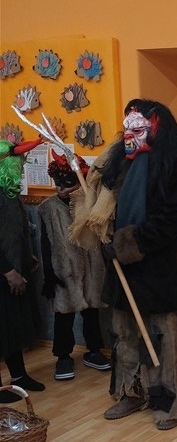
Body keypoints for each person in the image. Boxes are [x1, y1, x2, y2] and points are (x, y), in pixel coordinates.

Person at [70, 99, 177, 430]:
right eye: (127, 129)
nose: (129, 135)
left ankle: (168, 401)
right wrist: (106, 232)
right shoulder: (119, 167)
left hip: (159, 270)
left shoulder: (173, 172)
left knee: (165, 336)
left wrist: (126, 244)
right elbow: (104, 205)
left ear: (156, 130)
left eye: (137, 129)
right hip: (123, 270)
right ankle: (131, 392)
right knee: (124, 333)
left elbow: (166, 224)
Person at [38, 150, 111, 381]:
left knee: (91, 311)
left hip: (91, 265)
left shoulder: (89, 202)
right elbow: (45, 242)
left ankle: (94, 350)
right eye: (57, 183)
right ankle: (63, 355)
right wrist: (49, 273)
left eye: (66, 183)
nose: (60, 188)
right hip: (64, 268)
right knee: (64, 315)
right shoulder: (48, 208)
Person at [0, 138, 46, 402]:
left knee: (13, 325)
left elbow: (13, 230)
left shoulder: (7, 192)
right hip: (4, 272)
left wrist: (26, 255)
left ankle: (18, 377)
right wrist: (8, 271)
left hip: (14, 265)